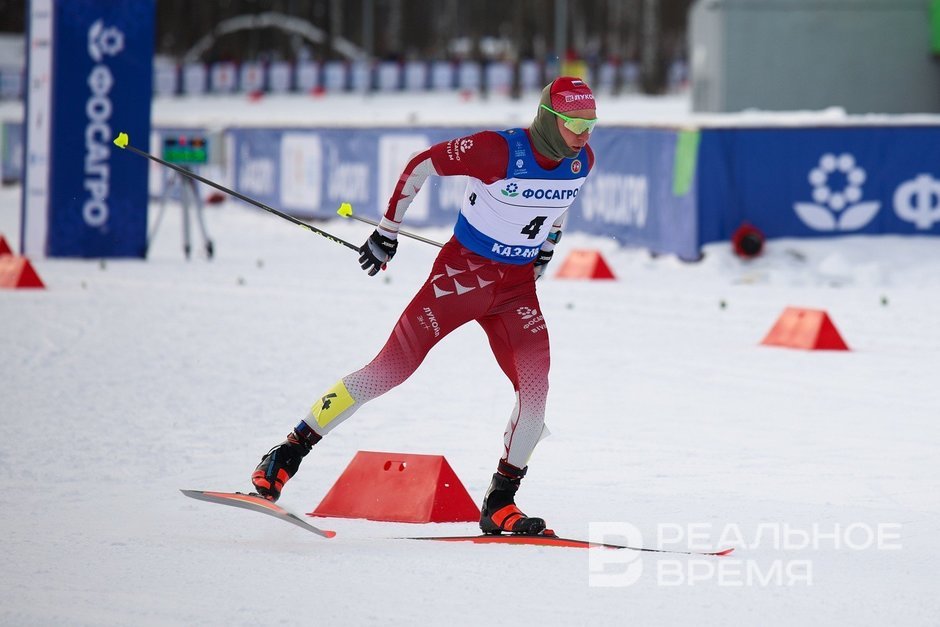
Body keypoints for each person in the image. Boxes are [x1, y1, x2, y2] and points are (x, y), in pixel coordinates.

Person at [251, 77, 598, 535]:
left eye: (590, 124)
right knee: (390, 369)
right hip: (460, 278)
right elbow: (421, 165)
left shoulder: (581, 162)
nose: (583, 135)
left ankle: (500, 502)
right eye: (574, 124)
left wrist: (547, 248)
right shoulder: (497, 150)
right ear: (549, 120)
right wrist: (386, 231)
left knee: (535, 395)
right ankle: (289, 451)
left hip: (515, 289)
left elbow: (559, 206)